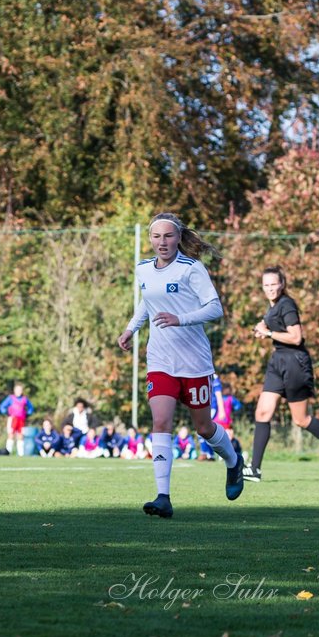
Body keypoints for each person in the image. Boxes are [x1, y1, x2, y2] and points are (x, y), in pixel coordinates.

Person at [117, 212, 244, 519]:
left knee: (204, 427)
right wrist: (131, 328)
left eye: (168, 236)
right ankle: (163, 497)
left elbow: (215, 308)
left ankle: (233, 462)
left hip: (194, 362)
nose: (162, 242)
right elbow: (147, 302)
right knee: (161, 422)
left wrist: (180, 319)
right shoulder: (143, 269)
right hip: (160, 360)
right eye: (157, 236)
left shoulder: (192, 269)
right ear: (150, 239)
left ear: (178, 238)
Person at [244, 266, 319, 481]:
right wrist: (262, 327)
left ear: (282, 284)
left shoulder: (287, 305)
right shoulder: (273, 306)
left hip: (295, 363)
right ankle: (254, 469)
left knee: (301, 419)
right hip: (277, 361)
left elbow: (295, 338)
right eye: (266, 285)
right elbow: (272, 324)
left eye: (274, 284)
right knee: (262, 413)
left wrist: (268, 332)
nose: (270, 289)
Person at [0, 382, 33, 456]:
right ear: (14, 391)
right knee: (11, 434)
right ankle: (8, 452)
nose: (19, 392)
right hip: (13, 419)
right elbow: (2, 406)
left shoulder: (24, 399)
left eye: (20, 390)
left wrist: (28, 414)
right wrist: (6, 413)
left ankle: (20, 454)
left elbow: (31, 408)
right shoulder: (11, 398)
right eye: (17, 390)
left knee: (20, 435)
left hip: (21, 420)